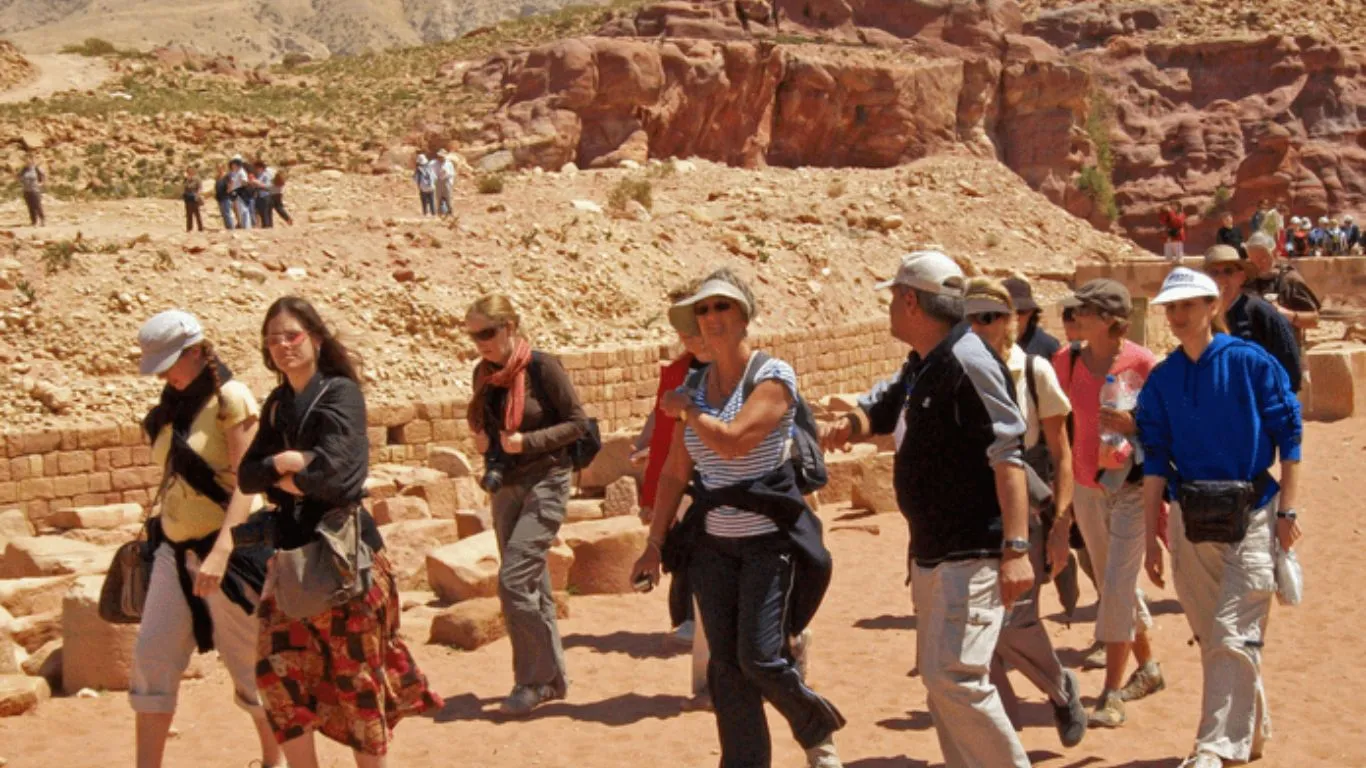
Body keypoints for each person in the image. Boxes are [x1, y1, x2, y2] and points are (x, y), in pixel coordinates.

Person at [822, 251, 1033, 767]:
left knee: (955, 678)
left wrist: (1017, 548)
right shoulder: (925, 362)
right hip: (933, 553)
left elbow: (1008, 453)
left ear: (911, 300)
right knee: (941, 683)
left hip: (973, 549)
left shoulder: (970, 361)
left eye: (894, 297)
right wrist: (851, 425)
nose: (890, 307)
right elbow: (887, 403)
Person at [631, 268, 845, 768]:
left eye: (721, 306)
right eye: (702, 310)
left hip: (769, 541)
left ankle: (814, 726)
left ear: (744, 315)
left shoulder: (773, 376)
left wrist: (687, 412)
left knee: (760, 657)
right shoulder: (694, 384)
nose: (710, 317)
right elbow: (673, 475)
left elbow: (732, 442)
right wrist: (655, 543)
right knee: (724, 670)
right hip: (713, 544)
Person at [240, 297, 440, 766]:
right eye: (273, 339)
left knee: (358, 684)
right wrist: (286, 463)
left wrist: (289, 477)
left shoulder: (340, 394)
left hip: (345, 560)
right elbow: (248, 474)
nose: (283, 346)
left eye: (291, 335)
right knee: (276, 677)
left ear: (315, 337)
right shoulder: (277, 405)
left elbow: (340, 480)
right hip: (293, 560)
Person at [1138, 267, 1303, 768]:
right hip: (1191, 521)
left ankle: (1214, 749)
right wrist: (1151, 537)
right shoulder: (1163, 379)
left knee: (1233, 634)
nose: (1178, 315)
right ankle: (1249, 731)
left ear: (1213, 306)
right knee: (1215, 637)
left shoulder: (1251, 364)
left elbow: (1290, 439)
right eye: (1171, 307)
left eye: (1188, 304)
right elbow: (1153, 463)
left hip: (1253, 513)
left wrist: (1288, 511)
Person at [128, 310, 277, 768]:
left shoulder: (230, 398)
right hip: (175, 552)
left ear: (197, 351)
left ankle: (275, 760)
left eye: (172, 362)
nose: (167, 374)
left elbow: (247, 485)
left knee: (249, 665)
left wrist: (221, 551)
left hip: (230, 556)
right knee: (151, 657)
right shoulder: (170, 408)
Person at [964, 279, 1088, 750]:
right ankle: (1006, 737)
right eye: (973, 318)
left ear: (1014, 321)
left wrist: (1061, 525)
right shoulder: (957, 371)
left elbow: (1062, 454)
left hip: (1025, 511)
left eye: (993, 316)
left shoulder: (1033, 371)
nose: (982, 326)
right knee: (980, 630)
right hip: (972, 515)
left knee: (1016, 622)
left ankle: (1060, 688)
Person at [466, 294, 588, 716]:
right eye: (473, 334)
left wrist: (528, 442)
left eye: (487, 332)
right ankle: (552, 681)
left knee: (514, 580)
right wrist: (487, 447)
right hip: (507, 487)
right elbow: (489, 428)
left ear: (510, 327)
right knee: (533, 585)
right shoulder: (483, 375)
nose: (480, 342)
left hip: (547, 480)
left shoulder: (541, 367)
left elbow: (577, 423)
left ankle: (532, 681)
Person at [1053, 279, 1165, 728]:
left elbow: (1162, 427)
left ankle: (1111, 693)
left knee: (1117, 587)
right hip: (1086, 486)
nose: (1074, 318)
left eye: (1083, 311)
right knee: (1112, 582)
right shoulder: (1067, 361)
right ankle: (1150, 668)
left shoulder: (1144, 362)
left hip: (1131, 487)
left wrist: (1133, 424)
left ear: (1107, 320)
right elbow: (1054, 422)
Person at [631, 282, 711, 702]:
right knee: (685, 553)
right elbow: (663, 421)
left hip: (721, 492)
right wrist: (648, 449)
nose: (685, 338)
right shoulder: (681, 371)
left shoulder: (750, 374)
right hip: (683, 482)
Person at [1203, 245, 1301, 391]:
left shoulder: (1262, 313)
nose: (1221, 279)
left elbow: (1290, 368)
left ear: (1241, 277)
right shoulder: (1202, 318)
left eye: (1228, 271)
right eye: (1214, 273)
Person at [1244, 232, 1321, 348]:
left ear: (1274, 254)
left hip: (1287, 351)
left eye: (1262, 259)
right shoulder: (1247, 281)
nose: (1258, 264)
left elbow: (1314, 319)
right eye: (1253, 260)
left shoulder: (1289, 279)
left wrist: (1288, 315)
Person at [1004, 275, 1060, 359]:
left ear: (1031, 312)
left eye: (1021, 312)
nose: (1015, 317)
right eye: (1009, 312)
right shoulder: (989, 343)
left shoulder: (1048, 346)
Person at [227, 157, 252, 231]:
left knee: (243, 210)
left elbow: (244, 182)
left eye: (233, 164)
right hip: (236, 192)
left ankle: (247, 226)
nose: (232, 166)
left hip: (240, 192)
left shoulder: (241, 172)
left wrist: (240, 188)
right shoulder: (235, 173)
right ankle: (244, 225)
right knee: (240, 210)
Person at [18, 156, 44, 227]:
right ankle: (34, 221)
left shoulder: (36, 168)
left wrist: (41, 183)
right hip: (26, 191)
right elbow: (19, 177)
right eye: (25, 161)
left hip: (35, 190)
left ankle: (42, 220)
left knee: (37, 205)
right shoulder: (23, 170)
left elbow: (42, 176)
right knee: (30, 207)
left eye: (28, 160)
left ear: (31, 160)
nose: (27, 162)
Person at [252, 161, 277, 229]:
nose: (256, 169)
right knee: (262, 213)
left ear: (261, 168)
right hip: (259, 196)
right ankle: (266, 227)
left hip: (266, 196)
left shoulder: (266, 175)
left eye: (257, 167)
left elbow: (268, 186)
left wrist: (258, 183)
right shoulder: (258, 176)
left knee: (266, 213)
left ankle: (268, 227)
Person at [181, 167, 204, 233]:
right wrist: (187, 179)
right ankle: (189, 228)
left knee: (197, 213)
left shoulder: (197, 178)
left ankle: (200, 228)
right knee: (188, 214)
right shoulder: (186, 179)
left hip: (194, 198)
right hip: (188, 198)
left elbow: (200, 188)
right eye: (188, 171)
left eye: (190, 171)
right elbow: (184, 186)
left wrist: (198, 195)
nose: (189, 172)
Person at [214, 164, 236, 230]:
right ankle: (228, 228)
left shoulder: (227, 176)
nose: (219, 169)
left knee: (227, 213)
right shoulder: (217, 177)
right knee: (223, 214)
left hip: (226, 197)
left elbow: (232, 182)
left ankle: (231, 228)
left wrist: (229, 189)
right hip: (220, 198)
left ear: (223, 168)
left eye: (220, 168)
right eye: (218, 168)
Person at [435, 149, 456, 217]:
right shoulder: (434, 164)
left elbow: (452, 173)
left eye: (441, 157)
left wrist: (447, 176)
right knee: (439, 198)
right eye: (439, 156)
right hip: (438, 182)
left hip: (446, 182)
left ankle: (450, 213)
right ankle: (440, 213)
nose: (440, 158)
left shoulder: (449, 164)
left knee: (448, 198)